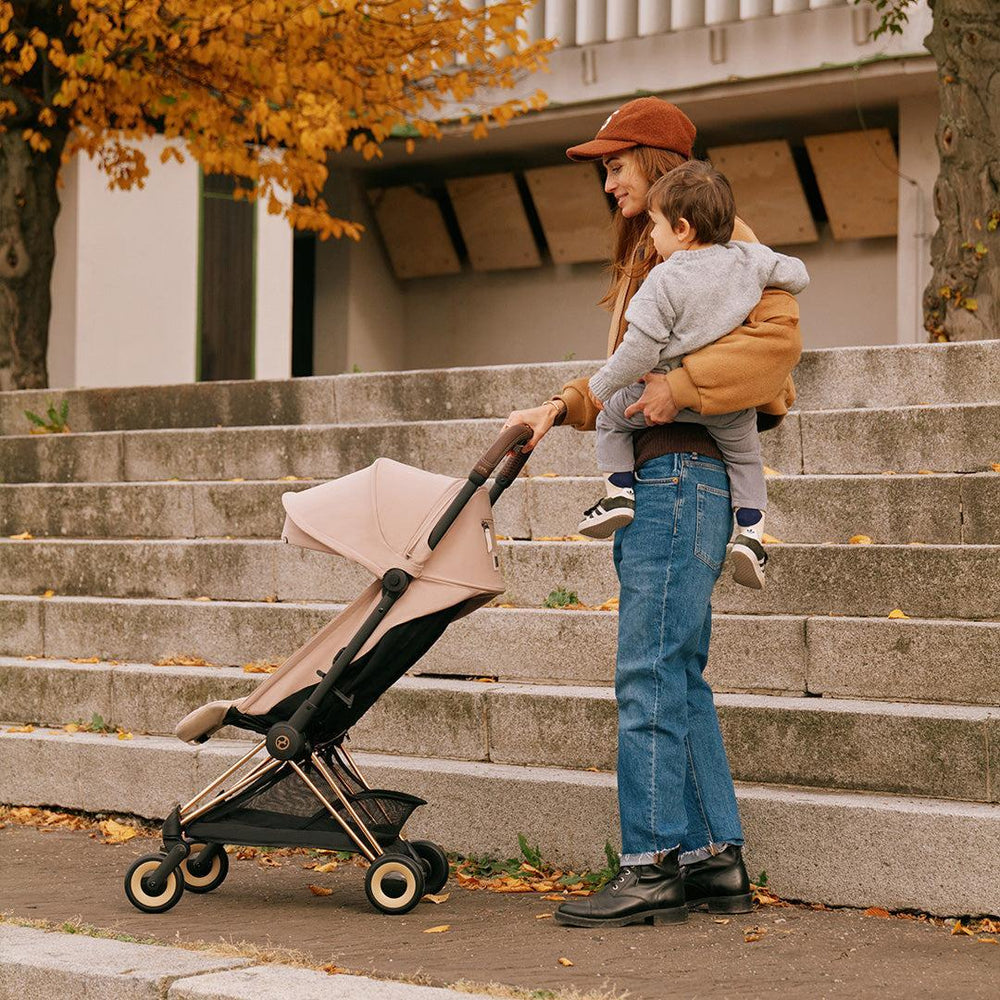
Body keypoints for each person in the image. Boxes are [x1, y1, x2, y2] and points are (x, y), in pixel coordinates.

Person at [503, 96, 801, 928]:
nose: (606, 181)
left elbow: (777, 347)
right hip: (676, 479)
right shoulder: (657, 254)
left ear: (659, 164)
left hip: (682, 480)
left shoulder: (730, 248)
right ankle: (712, 861)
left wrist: (680, 387)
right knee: (675, 677)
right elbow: (628, 375)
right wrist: (556, 410)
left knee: (645, 675)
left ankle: (649, 866)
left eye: (615, 164)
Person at [578, 160, 809, 591]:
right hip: (726, 405)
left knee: (611, 418)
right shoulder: (749, 258)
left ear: (682, 229)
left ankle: (618, 493)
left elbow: (639, 350)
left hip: (659, 396)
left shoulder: (665, 278)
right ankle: (751, 536)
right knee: (746, 460)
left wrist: (600, 386)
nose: (651, 235)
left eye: (656, 225)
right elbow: (797, 274)